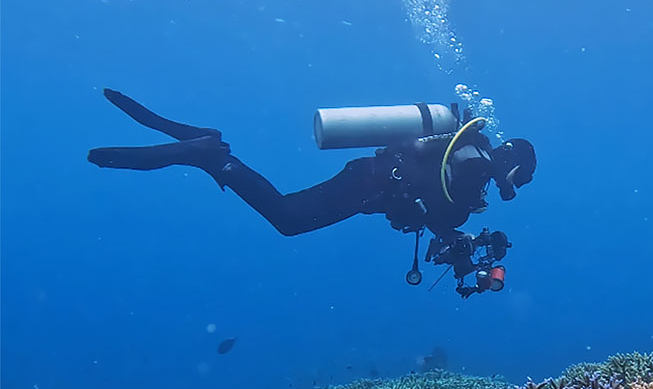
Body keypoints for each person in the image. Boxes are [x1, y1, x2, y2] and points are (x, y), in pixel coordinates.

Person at [88, 89, 536, 297]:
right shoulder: (478, 164)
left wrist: (458, 241)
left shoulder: (468, 156)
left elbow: (434, 210)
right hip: (371, 182)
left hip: (372, 179)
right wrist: (462, 235)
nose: (514, 185)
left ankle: (208, 146)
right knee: (288, 218)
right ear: (515, 165)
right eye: (521, 178)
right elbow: (443, 210)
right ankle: (210, 154)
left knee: (288, 217)